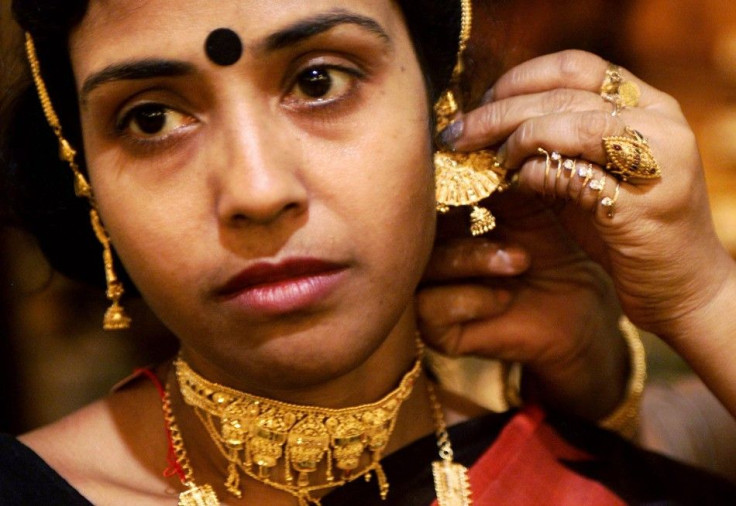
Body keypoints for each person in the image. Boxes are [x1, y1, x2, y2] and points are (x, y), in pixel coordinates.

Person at [1, 1, 735, 505]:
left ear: (438, 104)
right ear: (83, 175)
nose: (256, 190)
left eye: (319, 81)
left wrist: (703, 300)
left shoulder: (605, 474)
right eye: (152, 118)